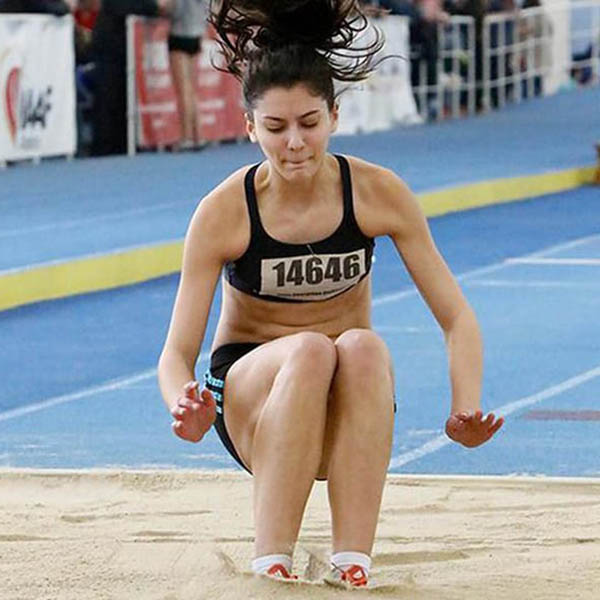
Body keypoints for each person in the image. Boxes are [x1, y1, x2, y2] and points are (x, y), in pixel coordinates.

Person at [158, 0, 504, 588]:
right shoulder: (224, 212)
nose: (294, 143)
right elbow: (175, 354)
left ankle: (354, 563)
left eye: (309, 123)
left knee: (362, 346)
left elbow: (457, 318)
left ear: (335, 116)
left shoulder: (375, 193)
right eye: (275, 128)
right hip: (252, 401)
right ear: (250, 128)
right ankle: (272, 557)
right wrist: (181, 408)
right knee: (311, 349)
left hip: (346, 403)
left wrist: (463, 407)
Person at [168, 0, 208, 151]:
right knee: (192, 90)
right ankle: (198, 136)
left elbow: (173, 10)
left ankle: (186, 137)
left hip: (179, 35)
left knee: (183, 90)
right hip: (196, 35)